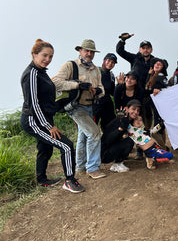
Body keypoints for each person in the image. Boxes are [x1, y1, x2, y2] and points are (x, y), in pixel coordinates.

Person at [20, 39, 85, 193]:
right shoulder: (31, 75)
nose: (47, 60)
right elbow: (34, 104)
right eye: (44, 55)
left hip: (44, 118)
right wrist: (49, 126)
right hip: (33, 120)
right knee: (66, 145)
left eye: (50, 57)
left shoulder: (42, 72)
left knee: (46, 148)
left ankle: (42, 180)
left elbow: (47, 97)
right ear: (34, 54)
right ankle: (70, 180)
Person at [52, 39, 106, 179]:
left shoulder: (96, 70)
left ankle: (80, 166)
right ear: (80, 51)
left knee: (83, 136)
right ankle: (93, 168)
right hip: (75, 106)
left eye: (91, 51)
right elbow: (55, 82)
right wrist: (77, 85)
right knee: (94, 133)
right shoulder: (71, 66)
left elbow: (101, 87)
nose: (89, 53)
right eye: (86, 50)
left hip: (89, 106)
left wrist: (99, 92)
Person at [116, 33, 154, 128]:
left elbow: (163, 67)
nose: (145, 50)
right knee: (134, 121)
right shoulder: (134, 58)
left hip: (149, 96)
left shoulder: (154, 61)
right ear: (140, 49)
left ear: (151, 50)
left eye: (148, 48)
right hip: (136, 95)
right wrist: (122, 41)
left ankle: (150, 138)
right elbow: (120, 51)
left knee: (149, 122)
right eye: (143, 48)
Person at [126, 103, 173, 170]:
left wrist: (161, 123)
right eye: (136, 119)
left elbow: (154, 130)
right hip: (149, 150)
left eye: (140, 120)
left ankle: (153, 159)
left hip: (155, 147)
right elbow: (125, 120)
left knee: (169, 155)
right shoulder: (131, 129)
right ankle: (152, 161)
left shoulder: (145, 130)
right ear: (132, 122)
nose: (139, 121)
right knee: (170, 156)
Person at [145, 57, 169, 150]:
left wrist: (160, 90)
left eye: (160, 64)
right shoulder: (150, 75)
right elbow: (147, 88)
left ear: (163, 67)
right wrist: (149, 74)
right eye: (156, 63)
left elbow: (169, 89)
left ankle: (163, 148)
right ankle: (163, 148)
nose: (157, 65)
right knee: (156, 129)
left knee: (158, 129)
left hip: (159, 107)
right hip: (149, 106)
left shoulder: (162, 77)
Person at [93, 53, 117, 131]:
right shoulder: (95, 70)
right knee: (92, 128)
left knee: (110, 127)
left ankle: (106, 142)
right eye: (109, 60)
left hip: (107, 103)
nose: (110, 63)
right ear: (104, 60)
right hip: (94, 102)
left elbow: (112, 92)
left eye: (113, 62)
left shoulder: (111, 75)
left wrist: (120, 85)